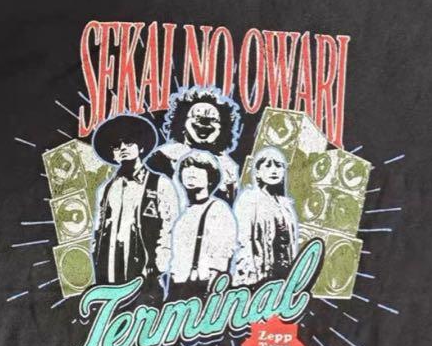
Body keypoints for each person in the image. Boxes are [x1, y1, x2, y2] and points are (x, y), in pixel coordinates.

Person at [91, 113, 179, 297]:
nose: (122, 148)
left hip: (145, 270)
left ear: (141, 147)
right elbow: (99, 227)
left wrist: (158, 265)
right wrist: (96, 258)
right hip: (110, 269)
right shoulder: (107, 189)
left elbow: (170, 227)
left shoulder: (160, 183)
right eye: (116, 146)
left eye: (129, 142)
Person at [148, 85, 242, 203]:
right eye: (197, 117)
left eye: (213, 119)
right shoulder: (163, 156)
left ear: (223, 128)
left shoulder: (228, 167)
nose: (204, 123)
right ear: (182, 122)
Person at [166, 150, 238, 300]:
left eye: (198, 170)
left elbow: (222, 253)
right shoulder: (184, 212)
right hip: (178, 286)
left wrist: (212, 287)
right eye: (187, 170)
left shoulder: (218, 209)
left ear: (210, 179)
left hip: (203, 286)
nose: (191, 173)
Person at [232, 146, 299, 286]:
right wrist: (249, 278)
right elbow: (244, 242)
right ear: (257, 172)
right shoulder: (249, 199)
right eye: (268, 166)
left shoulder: (285, 205)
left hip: (282, 274)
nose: (274, 170)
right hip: (256, 275)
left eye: (278, 166)